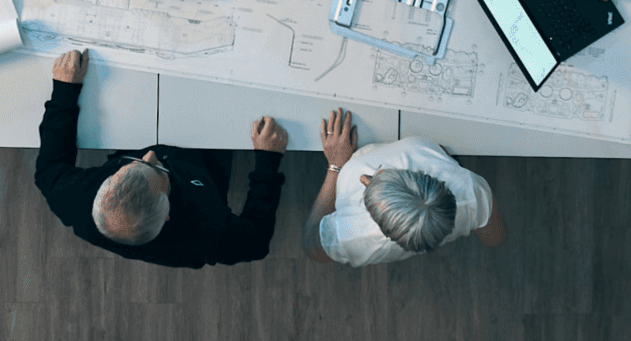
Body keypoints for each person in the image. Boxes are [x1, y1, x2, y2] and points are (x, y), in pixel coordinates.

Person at [33, 49, 289, 268]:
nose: (150, 154)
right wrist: (267, 161)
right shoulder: (204, 233)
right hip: (204, 160)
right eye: (156, 170)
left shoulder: (73, 199)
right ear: (167, 211)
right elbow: (256, 242)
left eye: (134, 164)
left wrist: (64, 92)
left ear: (105, 187)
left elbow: (49, 167)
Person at [301, 109, 507, 266]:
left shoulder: (353, 237)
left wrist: (336, 166)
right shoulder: (471, 190)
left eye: (370, 191)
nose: (365, 178)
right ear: (427, 179)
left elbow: (312, 248)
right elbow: (495, 238)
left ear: (380, 224)